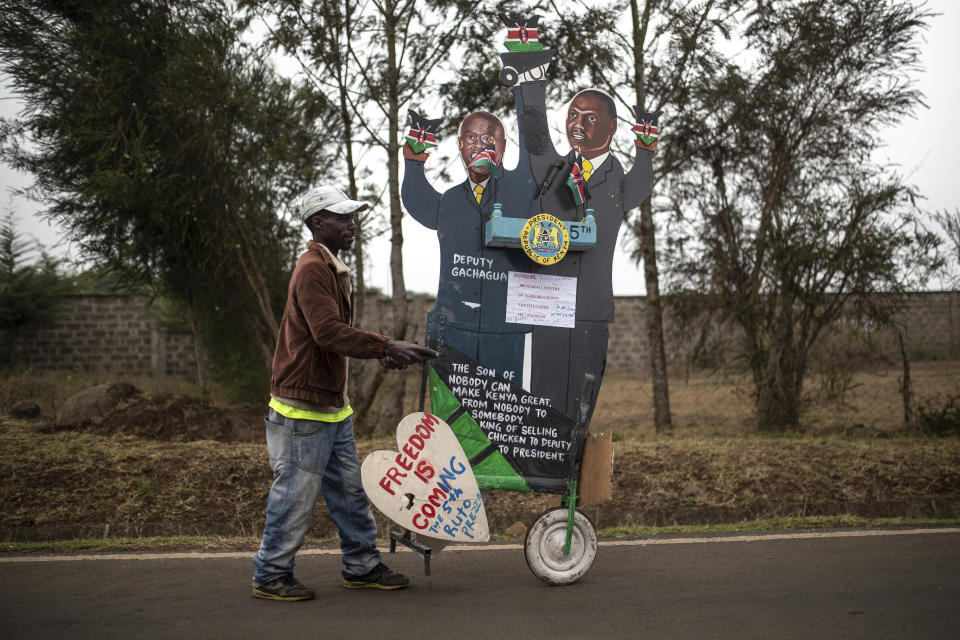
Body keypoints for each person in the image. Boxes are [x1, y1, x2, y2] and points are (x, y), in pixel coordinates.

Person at [251, 185, 438, 602]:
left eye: (352, 217)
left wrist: (383, 352)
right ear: (319, 223)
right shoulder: (312, 269)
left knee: (351, 493)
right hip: (302, 409)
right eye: (342, 218)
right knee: (295, 495)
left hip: (331, 407)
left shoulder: (330, 267)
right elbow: (327, 332)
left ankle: (361, 565)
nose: (352, 225)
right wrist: (386, 346)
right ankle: (270, 574)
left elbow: (333, 337)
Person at [401, 111, 536, 384]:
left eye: (488, 139)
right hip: (453, 329)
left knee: (502, 412)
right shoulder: (450, 200)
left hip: (506, 333)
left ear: (503, 146)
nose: (479, 145)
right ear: (460, 145)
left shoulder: (523, 197)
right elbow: (419, 201)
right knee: (453, 418)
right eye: (471, 138)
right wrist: (414, 162)